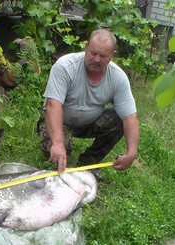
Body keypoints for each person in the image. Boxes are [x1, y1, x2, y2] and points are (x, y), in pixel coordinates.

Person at [38, 29, 139, 181]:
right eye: (93, 53)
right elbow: (53, 105)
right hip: (60, 122)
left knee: (117, 119)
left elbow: (130, 117)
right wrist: (58, 144)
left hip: (90, 123)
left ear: (113, 55)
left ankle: (88, 163)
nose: (97, 59)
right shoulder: (65, 66)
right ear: (86, 47)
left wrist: (131, 153)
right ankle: (60, 143)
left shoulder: (118, 78)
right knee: (54, 152)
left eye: (103, 56)